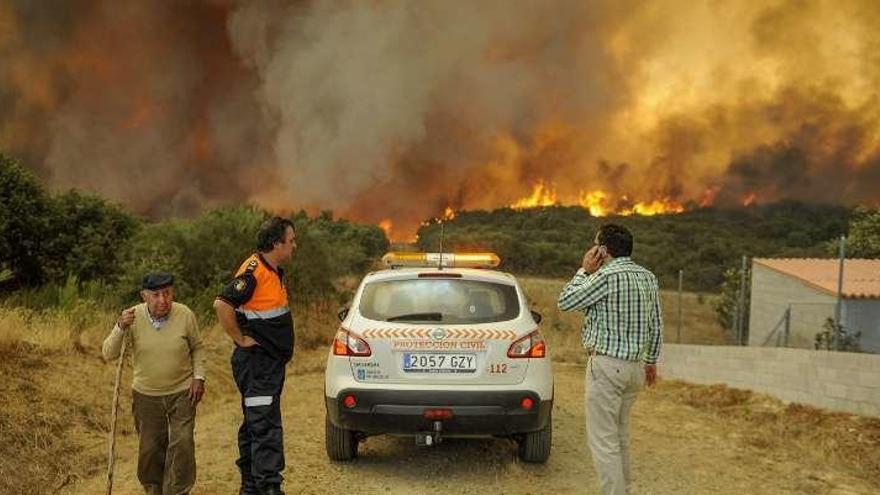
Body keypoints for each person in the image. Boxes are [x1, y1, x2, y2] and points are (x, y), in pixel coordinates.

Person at [557, 224, 663, 495]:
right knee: (620, 436)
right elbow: (656, 324)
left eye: (595, 245)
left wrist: (584, 270)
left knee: (603, 442)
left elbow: (566, 301)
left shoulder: (605, 276)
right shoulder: (648, 277)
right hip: (635, 369)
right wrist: (650, 361)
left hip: (606, 366)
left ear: (602, 250)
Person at [102, 272, 206, 495]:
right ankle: (153, 490)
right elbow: (108, 353)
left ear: (173, 293)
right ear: (144, 296)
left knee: (183, 444)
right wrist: (120, 327)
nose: (162, 300)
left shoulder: (185, 314)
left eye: (167, 293)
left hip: (182, 391)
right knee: (150, 449)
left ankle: (177, 491)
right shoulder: (133, 317)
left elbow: (197, 347)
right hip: (146, 395)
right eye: (156, 295)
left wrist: (199, 376)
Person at [214, 217, 297, 495]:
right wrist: (239, 338)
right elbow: (222, 304)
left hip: (267, 364)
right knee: (265, 426)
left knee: (255, 423)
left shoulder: (271, 269)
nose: (294, 245)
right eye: (291, 240)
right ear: (276, 244)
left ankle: (250, 487)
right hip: (257, 364)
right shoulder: (254, 272)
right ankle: (268, 488)